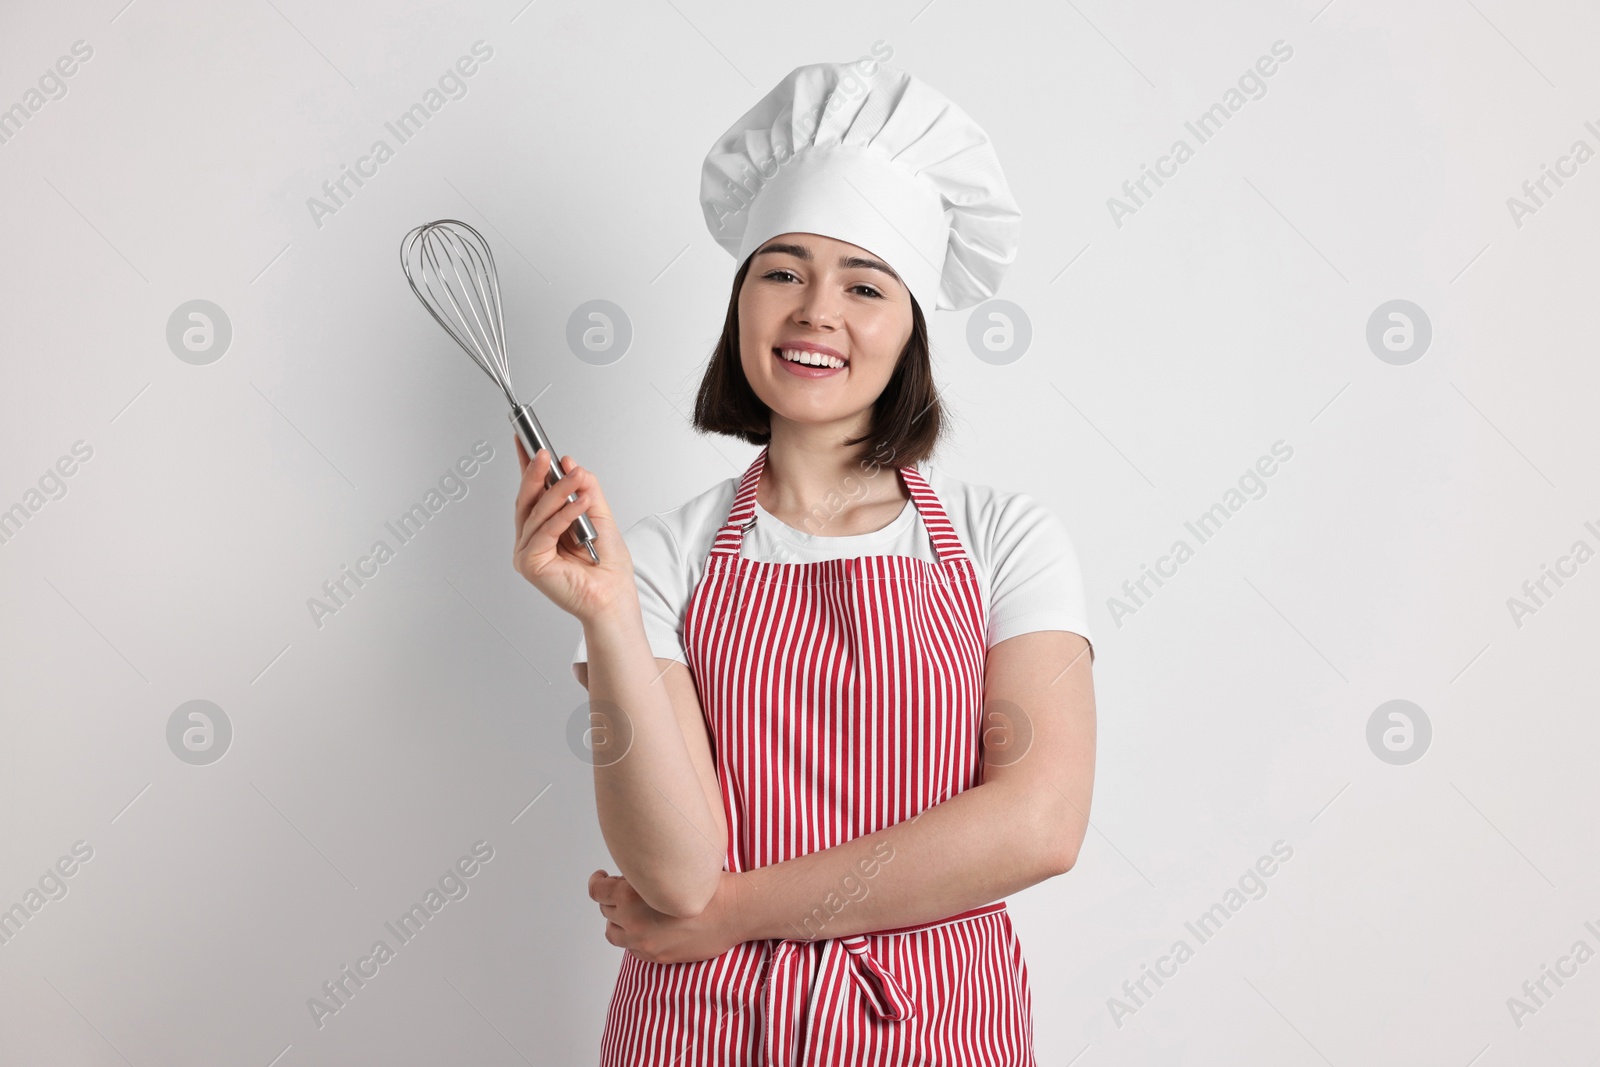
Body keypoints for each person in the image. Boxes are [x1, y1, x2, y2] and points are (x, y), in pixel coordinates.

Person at [514, 58, 1096, 1067]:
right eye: (781, 270)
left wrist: (731, 914)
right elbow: (675, 868)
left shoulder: (1006, 538)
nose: (815, 310)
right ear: (740, 302)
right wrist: (606, 614)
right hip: (696, 1030)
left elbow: (1037, 823)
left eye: (863, 283)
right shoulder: (659, 557)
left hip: (933, 1028)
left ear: (909, 323)